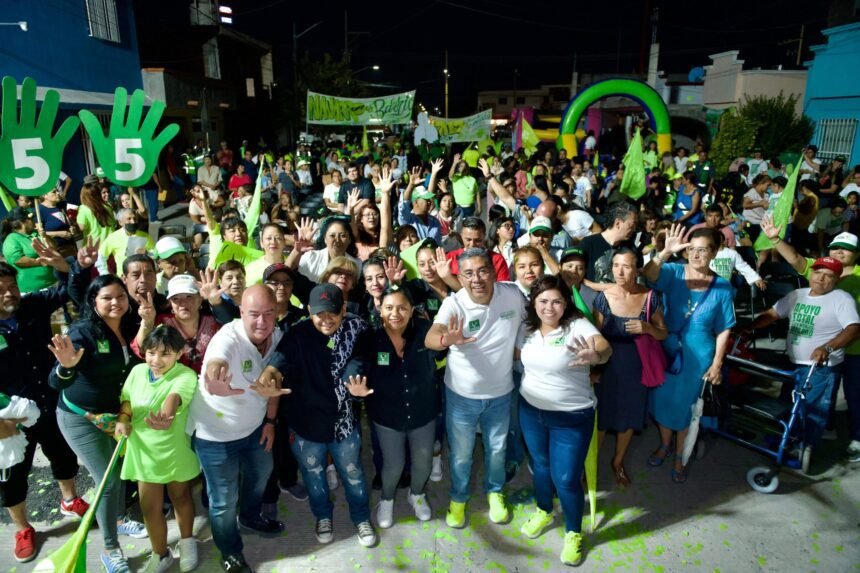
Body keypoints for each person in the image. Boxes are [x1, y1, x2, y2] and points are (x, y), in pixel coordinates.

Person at [0, 241, 97, 563]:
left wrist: (68, 266)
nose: (9, 294)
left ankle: (69, 499)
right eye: (1, 290)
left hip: (51, 400)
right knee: (13, 474)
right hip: (11, 417)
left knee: (63, 455)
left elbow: (68, 292)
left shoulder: (32, 305)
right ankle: (23, 527)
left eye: (12, 286)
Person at [260, 283, 378, 547]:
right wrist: (268, 376)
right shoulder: (298, 333)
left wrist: (356, 385)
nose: (326, 319)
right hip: (306, 426)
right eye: (320, 313)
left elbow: (360, 360)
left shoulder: (357, 328)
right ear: (309, 310)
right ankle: (323, 516)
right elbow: (278, 361)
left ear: (343, 309)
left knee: (354, 474)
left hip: (343, 424)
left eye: (333, 313)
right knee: (314, 476)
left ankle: (361, 518)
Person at [48, 275, 148, 573]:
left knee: (117, 472)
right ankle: (110, 548)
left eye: (120, 296)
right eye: (107, 297)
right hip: (80, 417)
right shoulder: (82, 333)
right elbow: (56, 380)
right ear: (94, 301)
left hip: (113, 415)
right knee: (108, 481)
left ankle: (117, 518)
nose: (115, 302)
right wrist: (66, 367)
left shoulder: (126, 326)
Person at [425, 248, 526, 528]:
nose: (476, 279)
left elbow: (535, 317)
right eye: (468, 273)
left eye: (482, 271)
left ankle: (495, 492)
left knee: (497, 449)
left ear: (493, 272)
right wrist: (448, 339)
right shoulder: (454, 304)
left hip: (501, 393)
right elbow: (431, 338)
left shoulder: (512, 295)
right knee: (461, 453)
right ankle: (458, 498)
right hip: (461, 397)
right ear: (459, 276)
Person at [189, 285, 286, 573]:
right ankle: (230, 552)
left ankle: (251, 516)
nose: (261, 322)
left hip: (255, 430)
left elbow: (273, 387)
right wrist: (213, 378)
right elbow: (216, 363)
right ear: (240, 313)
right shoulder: (226, 338)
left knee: (261, 476)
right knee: (222, 501)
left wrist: (270, 422)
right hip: (214, 437)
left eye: (269, 314)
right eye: (253, 314)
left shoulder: (277, 337)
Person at [516, 275, 610, 566]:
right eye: (543, 301)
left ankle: (573, 532)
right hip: (531, 410)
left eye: (557, 301)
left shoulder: (577, 326)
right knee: (541, 466)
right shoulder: (527, 328)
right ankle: (544, 510)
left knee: (567, 478)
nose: (549, 307)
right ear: (534, 302)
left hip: (572, 416)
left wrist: (596, 355)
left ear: (566, 302)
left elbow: (604, 347)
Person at [744, 256, 860, 466]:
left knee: (812, 410)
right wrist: (748, 326)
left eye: (828, 276)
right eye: (818, 273)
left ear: (837, 280)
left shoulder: (842, 299)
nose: (821, 278)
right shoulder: (797, 294)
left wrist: (828, 347)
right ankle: (785, 439)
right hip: (792, 362)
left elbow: (854, 329)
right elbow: (772, 314)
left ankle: (803, 447)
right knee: (789, 404)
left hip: (820, 368)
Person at [641, 225, 736, 484]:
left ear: (715, 253)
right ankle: (664, 444)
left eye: (702, 250)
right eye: (691, 249)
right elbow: (648, 276)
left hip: (698, 359)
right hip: (667, 352)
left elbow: (725, 328)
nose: (695, 255)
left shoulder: (723, 287)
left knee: (686, 408)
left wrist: (717, 364)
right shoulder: (673, 272)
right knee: (661, 401)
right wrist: (663, 254)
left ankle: (680, 457)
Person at [348, 286, 439, 528]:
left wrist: (448, 341)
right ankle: (386, 499)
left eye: (401, 308)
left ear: (411, 311)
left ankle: (417, 494)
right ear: (380, 309)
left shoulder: (424, 331)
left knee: (424, 463)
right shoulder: (370, 337)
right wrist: (353, 383)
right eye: (389, 307)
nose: (395, 313)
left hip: (423, 412)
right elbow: (356, 362)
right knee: (393, 465)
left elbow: (443, 346)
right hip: (387, 416)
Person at [116, 326, 199, 573]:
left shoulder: (186, 375)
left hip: (173, 449)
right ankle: (161, 554)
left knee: (181, 497)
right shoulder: (137, 371)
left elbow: (175, 398)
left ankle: (187, 542)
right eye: (151, 352)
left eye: (165, 353)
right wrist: (123, 418)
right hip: (142, 450)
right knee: (149, 507)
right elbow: (127, 400)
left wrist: (166, 416)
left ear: (178, 353)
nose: (156, 360)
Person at [592, 249, 666, 487]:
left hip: (636, 366)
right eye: (615, 265)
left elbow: (663, 333)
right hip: (608, 365)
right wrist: (593, 370)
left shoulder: (650, 297)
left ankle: (618, 461)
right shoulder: (603, 298)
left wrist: (647, 329)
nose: (619, 271)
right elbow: (595, 336)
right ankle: (589, 464)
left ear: (638, 270)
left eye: (626, 266)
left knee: (629, 417)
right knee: (602, 418)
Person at [134, 274, 221, 374]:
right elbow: (142, 348)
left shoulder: (215, 322)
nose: (183, 303)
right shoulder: (161, 322)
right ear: (170, 302)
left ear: (200, 299)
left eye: (189, 296)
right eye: (176, 299)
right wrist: (147, 322)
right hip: (173, 384)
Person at [1, 208, 58, 293]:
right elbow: (17, 260)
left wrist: (45, 236)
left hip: (53, 282)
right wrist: (41, 262)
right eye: (30, 219)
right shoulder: (11, 239)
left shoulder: (36, 233)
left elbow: (54, 249)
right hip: (33, 289)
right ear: (22, 222)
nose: (33, 220)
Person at [579, 202, 638, 282]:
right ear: (618, 223)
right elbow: (577, 277)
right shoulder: (589, 243)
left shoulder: (630, 247)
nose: (634, 229)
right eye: (631, 225)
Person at [290, 217, 362, 283]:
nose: (337, 240)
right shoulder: (311, 257)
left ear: (349, 239)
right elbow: (286, 273)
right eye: (332, 236)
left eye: (343, 236)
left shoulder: (356, 264)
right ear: (325, 239)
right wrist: (297, 251)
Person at [99, 208, 155, 275]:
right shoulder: (113, 237)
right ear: (120, 222)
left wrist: (147, 253)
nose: (133, 222)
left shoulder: (145, 236)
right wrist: (105, 274)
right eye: (129, 219)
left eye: (135, 218)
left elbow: (155, 254)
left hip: (143, 276)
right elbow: (101, 257)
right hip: (123, 279)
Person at [399, 162, 443, 242]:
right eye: (426, 200)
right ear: (415, 202)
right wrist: (411, 185)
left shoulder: (435, 222)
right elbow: (404, 204)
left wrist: (433, 174)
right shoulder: (407, 219)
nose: (429, 202)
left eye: (429, 200)